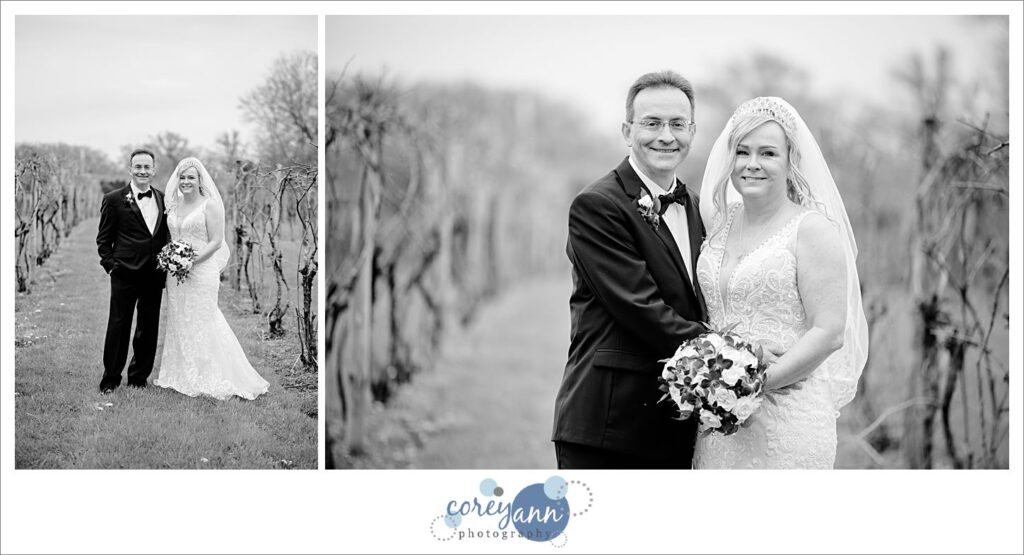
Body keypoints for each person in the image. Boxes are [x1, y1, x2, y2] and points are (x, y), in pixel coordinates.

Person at [694, 96, 869, 469]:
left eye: (768, 153)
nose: (752, 164)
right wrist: (716, 388)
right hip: (720, 421)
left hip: (788, 416)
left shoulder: (813, 231)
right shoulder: (719, 225)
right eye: (742, 152)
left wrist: (756, 385)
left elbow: (829, 331)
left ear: (791, 162)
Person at [551, 71, 709, 469]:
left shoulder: (695, 206)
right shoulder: (597, 206)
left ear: (692, 131)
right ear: (627, 130)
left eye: (677, 124)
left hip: (677, 426)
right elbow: (643, 310)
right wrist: (733, 353)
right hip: (609, 427)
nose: (665, 136)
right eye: (651, 123)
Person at [153, 157, 269, 400]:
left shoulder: (210, 206)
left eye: (191, 178)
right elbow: (171, 238)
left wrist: (191, 261)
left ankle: (211, 375)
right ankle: (182, 373)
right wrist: (173, 259)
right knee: (180, 319)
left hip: (202, 271)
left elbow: (216, 241)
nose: (186, 181)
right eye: (182, 177)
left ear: (199, 180)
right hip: (176, 274)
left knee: (203, 319)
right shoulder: (173, 207)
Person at [96, 148, 170, 393]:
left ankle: (139, 378)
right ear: (130, 169)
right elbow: (103, 240)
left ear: (154, 170)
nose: (142, 171)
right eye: (138, 167)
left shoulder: (162, 198)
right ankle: (111, 379)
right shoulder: (114, 199)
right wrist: (111, 267)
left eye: (147, 167)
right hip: (124, 274)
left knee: (148, 328)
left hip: (154, 275)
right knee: (119, 325)